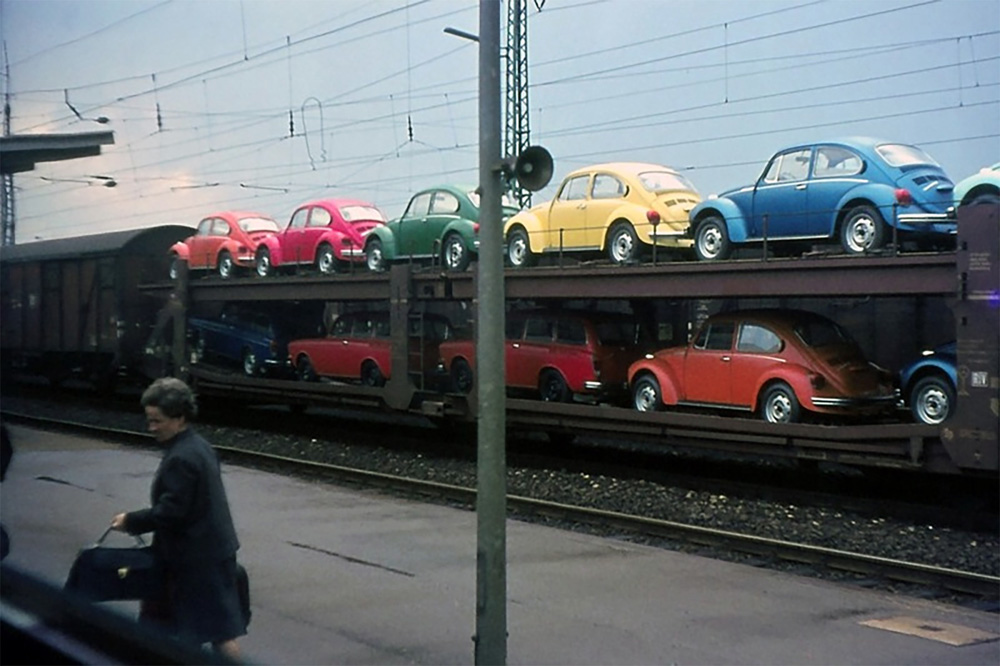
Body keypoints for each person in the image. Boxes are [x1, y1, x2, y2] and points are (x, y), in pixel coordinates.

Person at [110, 378, 245, 659]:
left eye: (157, 421)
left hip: (194, 560)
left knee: (207, 633)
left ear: (180, 417)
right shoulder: (200, 446)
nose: (152, 428)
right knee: (218, 631)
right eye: (149, 420)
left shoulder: (181, 458)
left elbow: (171, 512)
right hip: (214, 551)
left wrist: (129, 521)